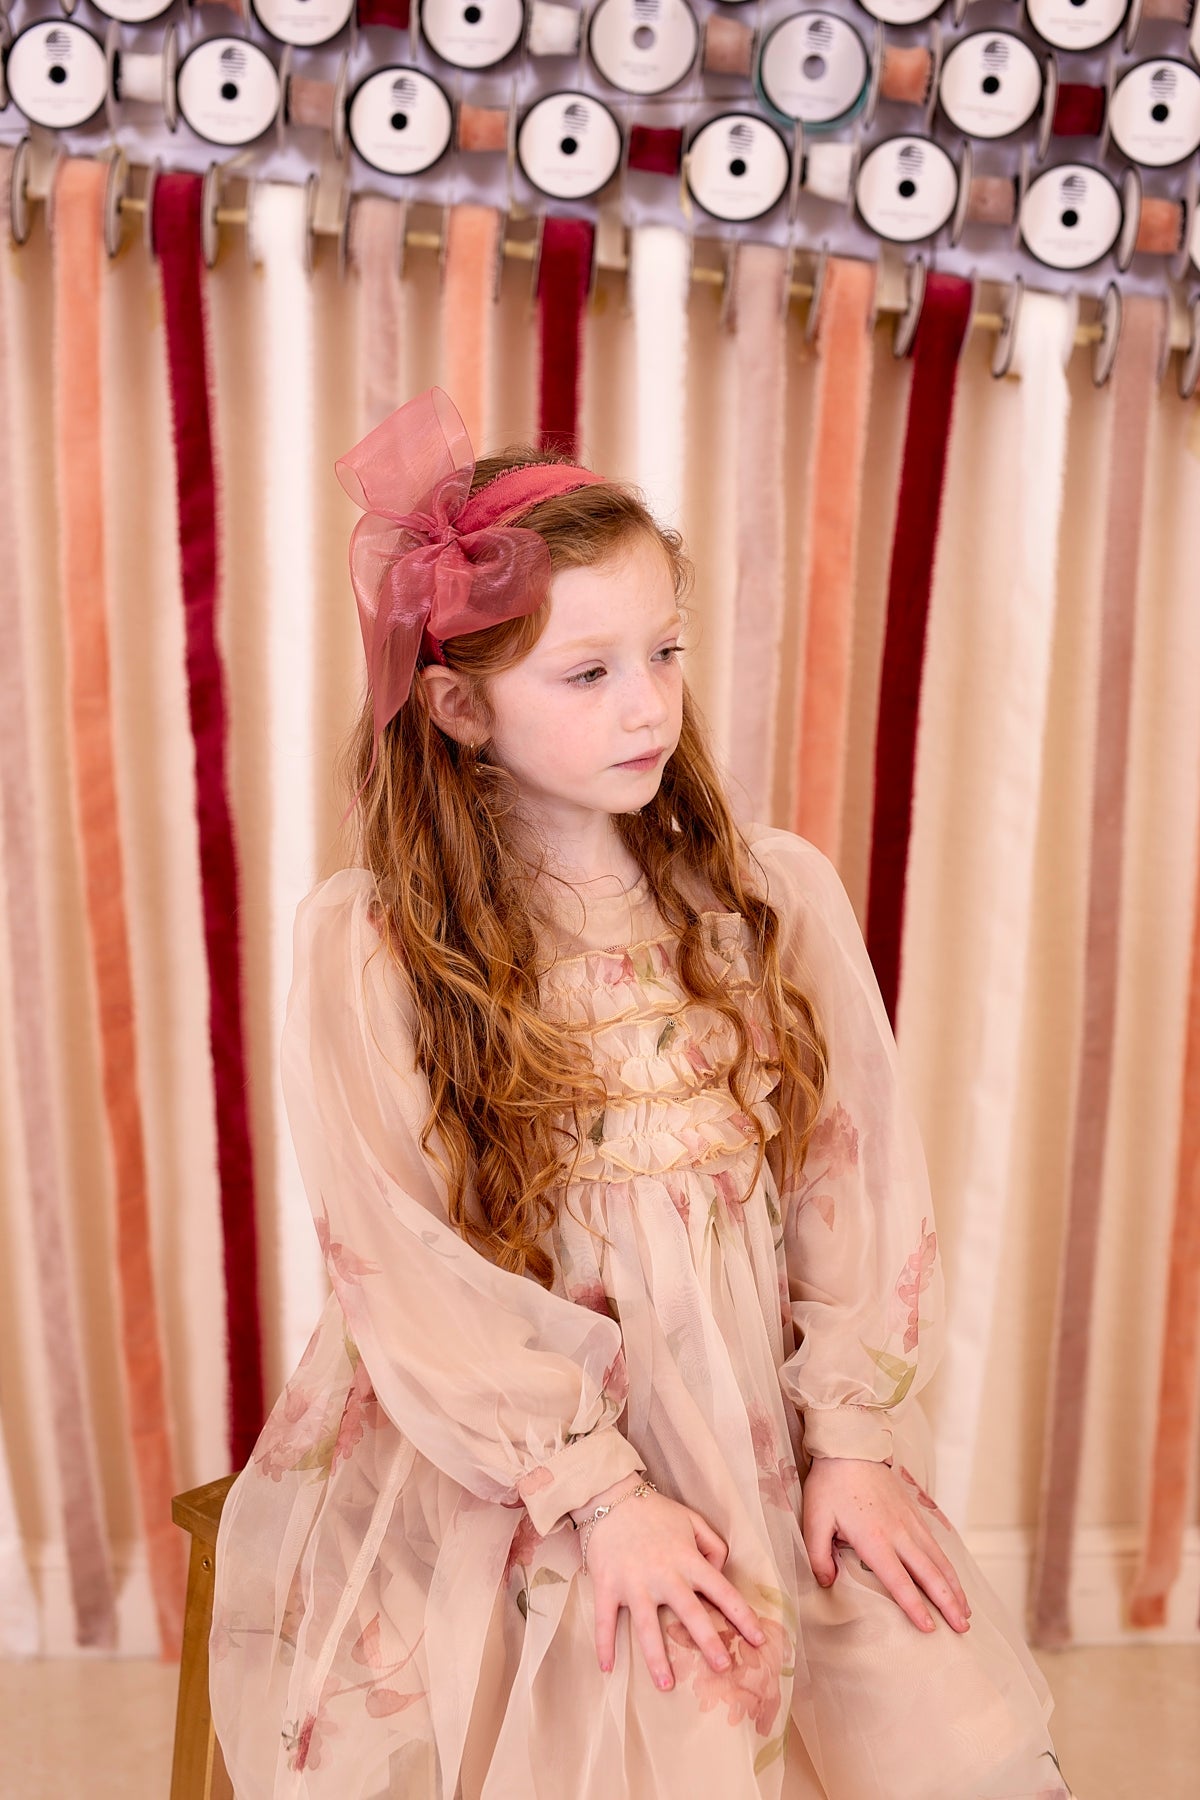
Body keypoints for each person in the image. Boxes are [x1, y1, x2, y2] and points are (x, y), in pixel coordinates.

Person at [209, 387, 1075, 1799]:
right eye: (588, 673)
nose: (649, 703)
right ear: (460, 706)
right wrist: (600, 1495)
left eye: (665, 651)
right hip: (522, 1458)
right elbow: (402, 1259)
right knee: (639, 1699)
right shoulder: (374, 949)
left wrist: (852, 1442)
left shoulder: (765, 899)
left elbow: (850, 1184)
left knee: (921, 1707)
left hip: (770, 1436)